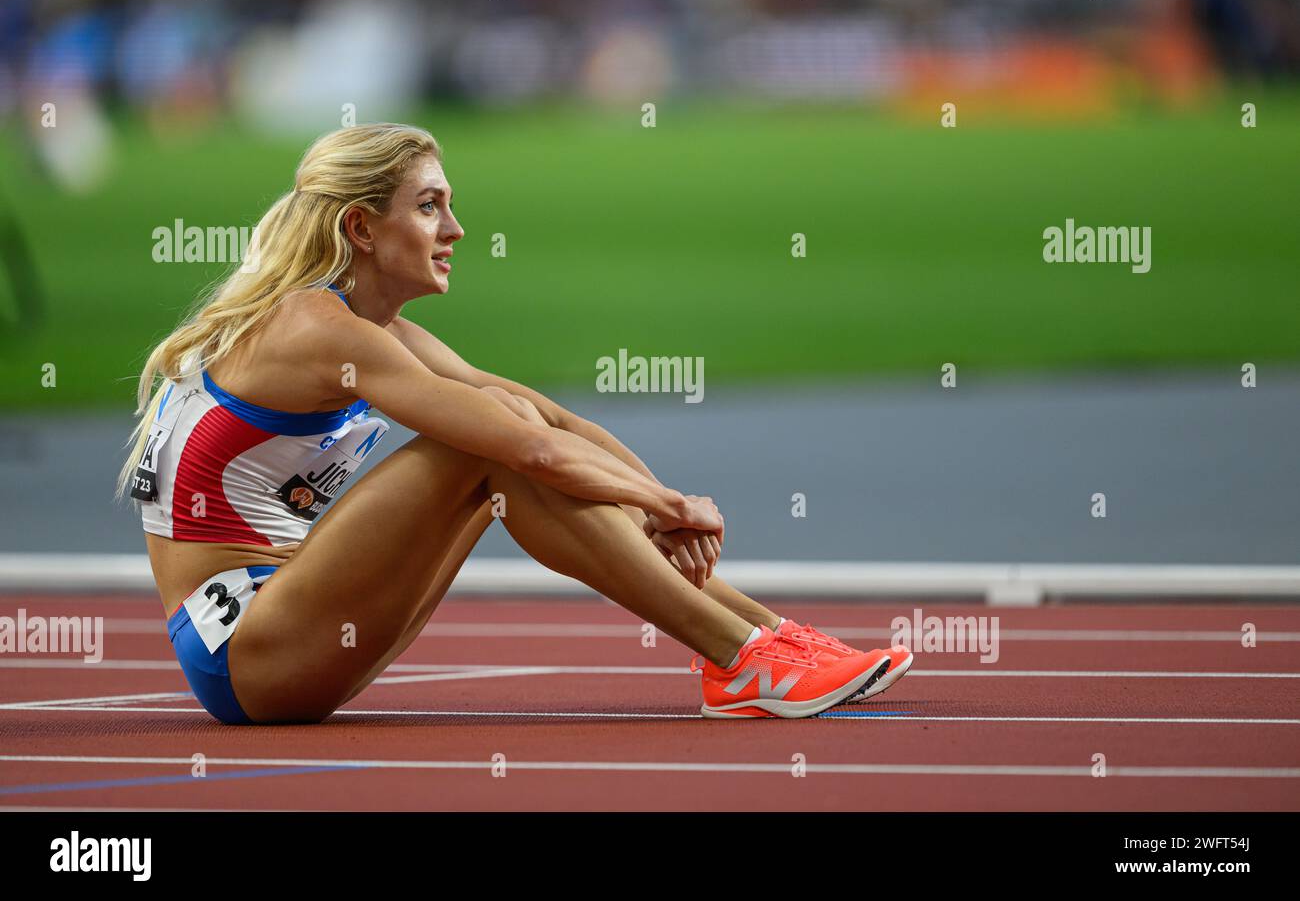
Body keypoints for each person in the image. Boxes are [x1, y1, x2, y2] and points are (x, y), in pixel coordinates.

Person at [116, 123, 911, 723]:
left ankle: (772, 636)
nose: (456, 231)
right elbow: (524, 447)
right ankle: (741, 662)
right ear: (361, 229)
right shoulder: (313, 331)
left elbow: (545, 415)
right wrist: (670, 510)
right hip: (248, 651)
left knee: (503, 433)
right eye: (430, 207)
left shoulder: (377, 333)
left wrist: (656, 502)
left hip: (301, 623)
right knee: (484, 454)